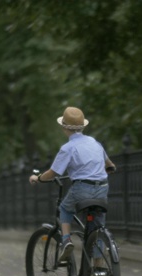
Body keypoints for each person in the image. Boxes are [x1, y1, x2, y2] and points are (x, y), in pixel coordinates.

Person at [29, 106, 115, 262]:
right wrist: (103, 170)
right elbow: (110, 165)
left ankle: (67, 241)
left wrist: (38, 178)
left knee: (65, 208)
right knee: (98, 226)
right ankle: (98, 268)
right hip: (102, 187)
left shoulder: (68, 148)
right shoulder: (95, 143)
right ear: (83, 126)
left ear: (63, 127)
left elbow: (53, 173)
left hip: (82, 188)